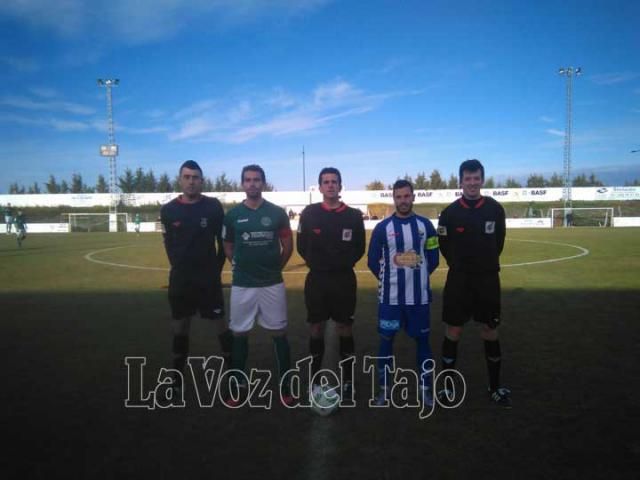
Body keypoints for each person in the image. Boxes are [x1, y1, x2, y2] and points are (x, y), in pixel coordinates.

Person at [437, 159, 511, 407]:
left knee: (489, 330)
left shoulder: (495, 210)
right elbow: (445, 247)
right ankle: (446, 387)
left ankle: (495, 386)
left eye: (476, 178)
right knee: (454, 331)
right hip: (459, 280)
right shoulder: (449, 213)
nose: (471, 183)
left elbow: (498, 243)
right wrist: (462, 264)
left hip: (487, 280)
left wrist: (483, 264)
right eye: (467, 179)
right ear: (460, 181)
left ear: (482, 179)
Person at [222, 165, 294, 406]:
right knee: (239, 332)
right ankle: (239, 386)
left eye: (256, 180)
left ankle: (286, 387)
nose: (252, 184)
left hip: (272, 283)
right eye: (248, 180)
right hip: (243, 285)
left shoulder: (277, 213)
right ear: (242, 184)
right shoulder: (232, 216)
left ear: (263, 183)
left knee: (279, 333)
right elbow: (228, 247)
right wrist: (240, 267)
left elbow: (288, 245)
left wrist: (275, 268)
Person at [160, 160, 232, 395]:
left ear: (202, 180)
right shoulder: (169, 210)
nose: (191, 181)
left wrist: (216, 268)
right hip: (181, 279)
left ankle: (232, 374)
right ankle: (176, 379)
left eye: (195, 177)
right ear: (180, 179)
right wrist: (177, 265)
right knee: (180, 326)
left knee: (221, 324)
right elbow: (168, 241)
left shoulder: (212, 207)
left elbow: (222, 241)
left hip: (208, 278)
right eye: (187, 177)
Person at [367, 180, 439, 406]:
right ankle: (384, 389)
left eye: (406, 196)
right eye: (398, 197)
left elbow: (434, 258)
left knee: (423, 342)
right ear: (394, 199)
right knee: (386, 341)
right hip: (390, 299)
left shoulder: (426, 226)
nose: (403, 200)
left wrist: (417, 276)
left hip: (419, 298)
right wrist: (389, 281)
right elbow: (371, 261)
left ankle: (425, 389)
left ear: (413, 197)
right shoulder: (382, 228)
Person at [297, 167, 365, 402]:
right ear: (320, 186)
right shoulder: (309, 213)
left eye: (334, 181)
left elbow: (359, 248)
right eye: (326, 182)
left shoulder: (354, 216)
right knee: (316, 327)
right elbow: (301, 246)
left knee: (345, 328)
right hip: (317, 280)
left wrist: (339, 264)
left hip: (344, 280)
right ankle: (315, 380)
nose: (330, 185)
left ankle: (347, 381)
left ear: (340, 185)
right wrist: (318, 263)